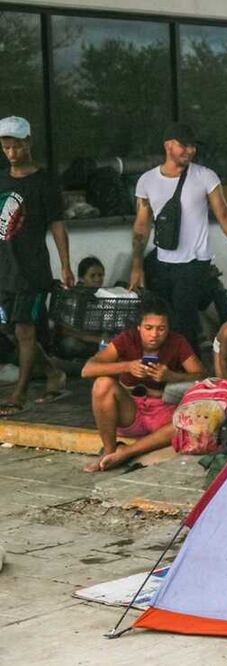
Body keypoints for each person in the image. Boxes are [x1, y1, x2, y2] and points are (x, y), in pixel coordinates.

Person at [129, 123, 227, 349]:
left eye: (192, 147)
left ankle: (192, 372)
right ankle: (175, 369)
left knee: (184, 324)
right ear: (168, 145)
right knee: (164, 322)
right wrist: (137, 265)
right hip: (163, 261)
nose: (190, 151)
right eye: (184, 146)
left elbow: (224, 216)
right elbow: (141, 227)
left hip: (195, 263)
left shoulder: (205, 177)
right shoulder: (147, 181)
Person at [81, 296, 206, 472]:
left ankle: (125, 453)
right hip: (130, 411)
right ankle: (108, 452)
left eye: (161, 329)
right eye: (149, 328)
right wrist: (127, 366)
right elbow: (87, 369)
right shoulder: (126, 339)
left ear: (168, 328)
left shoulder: (177, 342)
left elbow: (202, 375)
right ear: (139, 327)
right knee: (102, 384)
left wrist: (171, 376)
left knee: (194, 421)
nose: (154, 335)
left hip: (163, 414)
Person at [0, 116, 72, 414]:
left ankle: (19, 394)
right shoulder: (1, 179)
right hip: (3, 267)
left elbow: (57, 225)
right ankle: (54, 372)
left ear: (29, 143)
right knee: (10, 329)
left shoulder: (44, 181)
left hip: (31, 269)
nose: (12, 153)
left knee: (25, 331)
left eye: (16, 146)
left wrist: (66, 265)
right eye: (6, 147)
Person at [55, 256, 108, 359]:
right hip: (76, 340)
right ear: (81, 278)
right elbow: (64, 330)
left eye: (100, 275)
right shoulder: (74, 296)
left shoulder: (104, 296)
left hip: (95, 340)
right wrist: (95, 339)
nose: (98, 279)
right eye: (92, 276)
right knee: (70, 344)